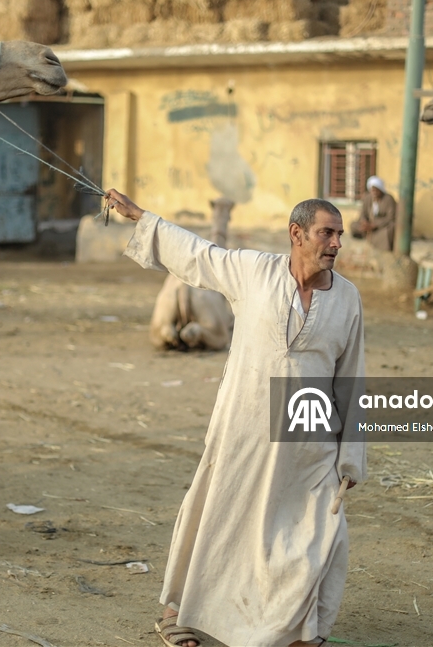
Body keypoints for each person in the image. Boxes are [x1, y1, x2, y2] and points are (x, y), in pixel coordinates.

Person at [104, 188, 366, 647]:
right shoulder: (253, 271)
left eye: (339, 235)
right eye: (327, 233)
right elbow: (198, 255)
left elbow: (351, 378)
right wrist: (141, 217)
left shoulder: (347, 298)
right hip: (244, 424)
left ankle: (301, 629)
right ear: (297, 234)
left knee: (316, 530)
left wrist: (351, 456)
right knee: (219, 516)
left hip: (308, 437)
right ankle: (179, 612)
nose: (336, 244)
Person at [350, 175, 396, 251]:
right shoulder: (367, 198)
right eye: (372, 190)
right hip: (368, 224)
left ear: (381, 190)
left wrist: (374, 225)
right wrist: (364, 222)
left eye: (376, 190)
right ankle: (366, 234)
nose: (374, 192)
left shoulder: (388, 199)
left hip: (381, 225)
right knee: (353, 225)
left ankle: (378, 243)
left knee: (387, 230)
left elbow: (390, 217)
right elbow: (363, 213)